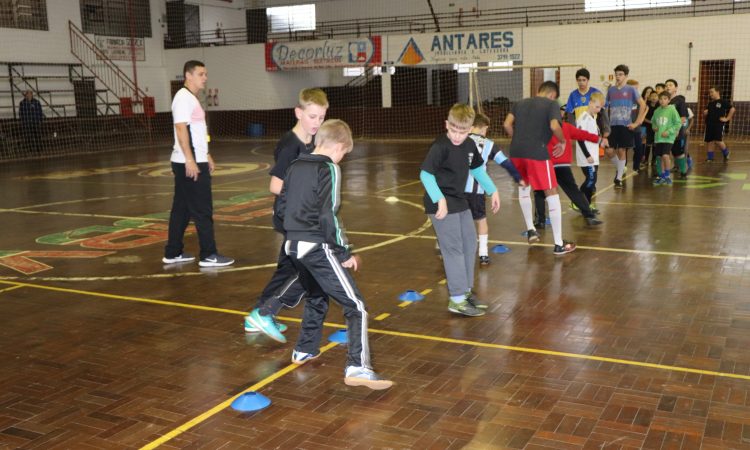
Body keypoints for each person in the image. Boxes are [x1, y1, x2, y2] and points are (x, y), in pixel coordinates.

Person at [277, 119, 392, 390]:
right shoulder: (329, 168)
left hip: (292, 246)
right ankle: (358, 367)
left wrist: (293, 233)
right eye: (344, 154)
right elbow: (329, 214)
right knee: (356, 306)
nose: (342, 159)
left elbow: (281, 206)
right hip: (317, 247)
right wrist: (343, 252)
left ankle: (304, 349)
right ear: (339, 146)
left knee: (317, 295)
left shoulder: (295, 165)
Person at [245, 88, 329, 336]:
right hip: (290, 217)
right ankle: (261, 314)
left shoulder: (311, 141)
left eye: (322, 118)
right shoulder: (289, 145)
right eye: (312, 117)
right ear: (298, 112)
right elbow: (275, 185)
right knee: (296, 268)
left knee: (288, 268)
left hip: (299, 217)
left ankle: (260, 314)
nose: (317, 123)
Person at [421, 104, 500, 317]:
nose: (457, 136)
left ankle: (464, 292)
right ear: (447, 124)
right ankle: (456, 299)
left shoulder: (469, 146)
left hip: (459, 200)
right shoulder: (440, 146)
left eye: (462, 132)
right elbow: (426, 175)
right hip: (439, 203)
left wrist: (493, 191)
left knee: (468, 243)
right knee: (453, 249)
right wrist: (440, 200)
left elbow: (477, 169)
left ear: (470, 130)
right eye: (453, 130)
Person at [163, 60, 234, 267]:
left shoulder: (190, 98)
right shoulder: (183, 98)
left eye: (205, 74)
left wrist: (207, 154)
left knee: (181, 210)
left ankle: (173, 252)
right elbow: (180, 129)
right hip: (190, 163)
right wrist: (191, 160)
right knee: (203, 210)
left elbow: (196, 131)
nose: (205, 78)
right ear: (188, 75)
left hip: (193, 159)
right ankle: (208, 255)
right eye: (201, 74)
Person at [504, 81, 576, 255]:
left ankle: (531, 229)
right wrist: (563, 141)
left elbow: (506, 125)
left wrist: (519, 140)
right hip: (537, 152)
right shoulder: (551, 104)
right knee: (551, 192)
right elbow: (554, 126)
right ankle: (559, 244)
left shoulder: (520, 103)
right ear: (552, 95)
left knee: (524, 188)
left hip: (516, 151)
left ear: (539, 91)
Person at [466, 112, 522, 266]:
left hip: (459, 189)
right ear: (484, 128)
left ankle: (451, 248)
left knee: (457, 219)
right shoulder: (489, 144)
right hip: (477, 190)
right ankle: (483, 254)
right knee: (481, 221)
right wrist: (518, 177)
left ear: (470, 126)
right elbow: (505, 162)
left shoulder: (461, 139)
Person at [533, 104, 603, 227]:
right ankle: (589, 216)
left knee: (540, 192)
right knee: (574, 191)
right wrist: (599, 140)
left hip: (547, 166)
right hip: (562, 166)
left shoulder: (542, 128)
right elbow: (583, 135)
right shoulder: (567, 127)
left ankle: (540, 220)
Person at [606, 65, 646, 188]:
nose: (618, 77)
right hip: (612, 125)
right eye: (616, 74)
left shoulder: (631, 90)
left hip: (625, 125)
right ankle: (620, 168)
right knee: (609, 150)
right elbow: (605, 107)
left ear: (626, 76)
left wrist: (637, 122)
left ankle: (618, 179)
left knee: (622, 150)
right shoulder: (611, 90)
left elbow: (643, 105)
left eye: (621, 74)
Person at [651, 91, 682, 186]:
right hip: (658, 138)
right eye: (660, 99)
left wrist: (668, 132)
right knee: (659, 157)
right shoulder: (657, 111)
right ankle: (662, 176)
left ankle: (667, 175)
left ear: (669, 100)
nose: (662, 101)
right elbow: (653, 122)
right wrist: (654, 127)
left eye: (665, 99)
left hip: (668, 138)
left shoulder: (672, 110)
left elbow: (678, 123)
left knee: (665, 155)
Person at [703, 86, 735, 162]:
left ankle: (726, 152)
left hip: (718, 124)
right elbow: (707, 112)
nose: (710, 94)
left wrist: (727, 118)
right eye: (709, 92)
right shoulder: (710, 103)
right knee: (710, 141)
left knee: (718, 140)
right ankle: (710, 157)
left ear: (717, 92)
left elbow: (732, 109)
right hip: (709, 124)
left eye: (712, 92)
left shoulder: (722, 102)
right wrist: (705, 112)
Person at [665, 79, 689, 179]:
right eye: (666, 85)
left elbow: (683, 118)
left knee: (678, 152)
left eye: (670, 85)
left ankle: (684, 171)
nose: (668, 87)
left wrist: (676, 130)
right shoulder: (664, 100)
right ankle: (664, 172)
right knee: (667, 152)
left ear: (676, 88)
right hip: (665, 131)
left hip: (676, 132)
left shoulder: (679, 101)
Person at [643, 90, 659, 168]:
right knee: (648, 145)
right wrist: (651, 122)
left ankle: (654, 160)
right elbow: (643, 118)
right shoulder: (647, 106)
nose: (654, 97)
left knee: (655, 145)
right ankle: (646, 160)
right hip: (648, 127)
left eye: (655, 96)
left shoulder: (659, 106)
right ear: (649, 97)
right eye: (652, 96)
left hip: (656, 128)